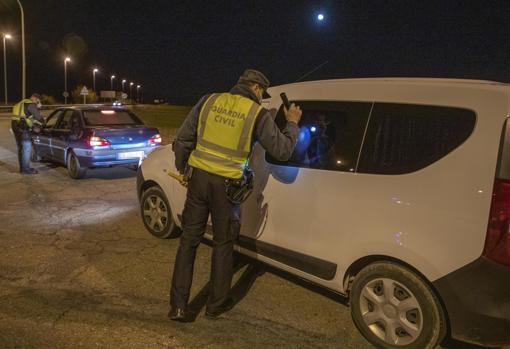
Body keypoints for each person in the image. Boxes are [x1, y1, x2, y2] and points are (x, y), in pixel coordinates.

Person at [170, 69, 302, 321]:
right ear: (255, 88)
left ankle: (178, 307)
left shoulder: (208, 100)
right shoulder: (256, 113)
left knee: (188, 242)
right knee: (223, 243)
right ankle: (215, 305)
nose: (262, 98)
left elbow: (184, 138)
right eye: (262, 93)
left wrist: (183, 169)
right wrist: (293, 123)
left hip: (198, 180)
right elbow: (282, 151)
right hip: (228, 187)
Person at [11, 93, 44, 174]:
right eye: (38, 101)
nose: (37, 102)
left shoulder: (20, 104)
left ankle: (23, 168)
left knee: (21, 148)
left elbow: (26, 116)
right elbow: (39, 118)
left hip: (15, 126)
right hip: (23, 128)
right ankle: (25, 170)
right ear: (35, 98)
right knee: (26, 148)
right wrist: (38, 107)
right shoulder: (31, 104)